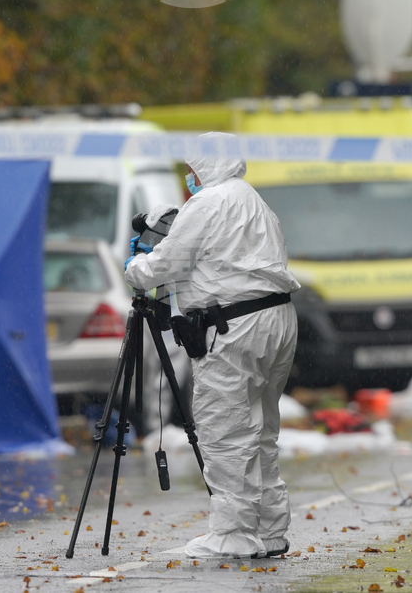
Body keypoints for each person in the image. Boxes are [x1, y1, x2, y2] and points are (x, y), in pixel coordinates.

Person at [124, 153, 301, 559]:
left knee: (225, 429)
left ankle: (234, 534)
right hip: (275, 320)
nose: (190, 176)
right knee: (261, 430)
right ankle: (270, 529)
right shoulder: (254, 201)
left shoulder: (208, 202)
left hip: (233, 327)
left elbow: (164, 266)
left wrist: (137, 264)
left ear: (205, 165)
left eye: (193, 168)